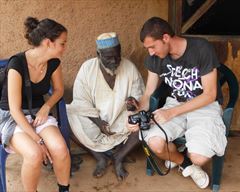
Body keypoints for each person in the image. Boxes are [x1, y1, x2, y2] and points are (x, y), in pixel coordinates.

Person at [127, 17, 227, 189]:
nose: (150, 52)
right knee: (156, 143)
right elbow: (149, 92)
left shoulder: (201, 48)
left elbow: (210, 94)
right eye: (147, 48)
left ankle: (186, 156)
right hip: (175, 102)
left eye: (152, 46)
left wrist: (172, 113)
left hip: (204, 105)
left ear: (165, 38)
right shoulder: (156, 58)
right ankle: (186, 164)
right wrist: (135, 115)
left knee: (199, 157)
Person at [0, 17, 70, 192]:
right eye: (62, 43)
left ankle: (64, 189)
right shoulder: (17, 64)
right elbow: (15, 110)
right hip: (12, 116)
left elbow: (59, 90)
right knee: (34, 154)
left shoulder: (53, 63)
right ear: (48, 42)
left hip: (38, 112)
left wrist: (47, 107)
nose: (64, 47)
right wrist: (38, 140)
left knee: (60, 148)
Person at [66, 32, 144, 181]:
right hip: (95, 120)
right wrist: (99, 123)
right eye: (108, 57)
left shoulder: (129, 67)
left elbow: (138, 96)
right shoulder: (87, 69)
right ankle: (101, 157)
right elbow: (81, 102)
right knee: (67, 116)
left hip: (121, 119)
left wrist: (132, 104)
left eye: (117, 55)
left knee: (146, 122)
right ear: (98, 54)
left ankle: (119, 157)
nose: (114, 61)